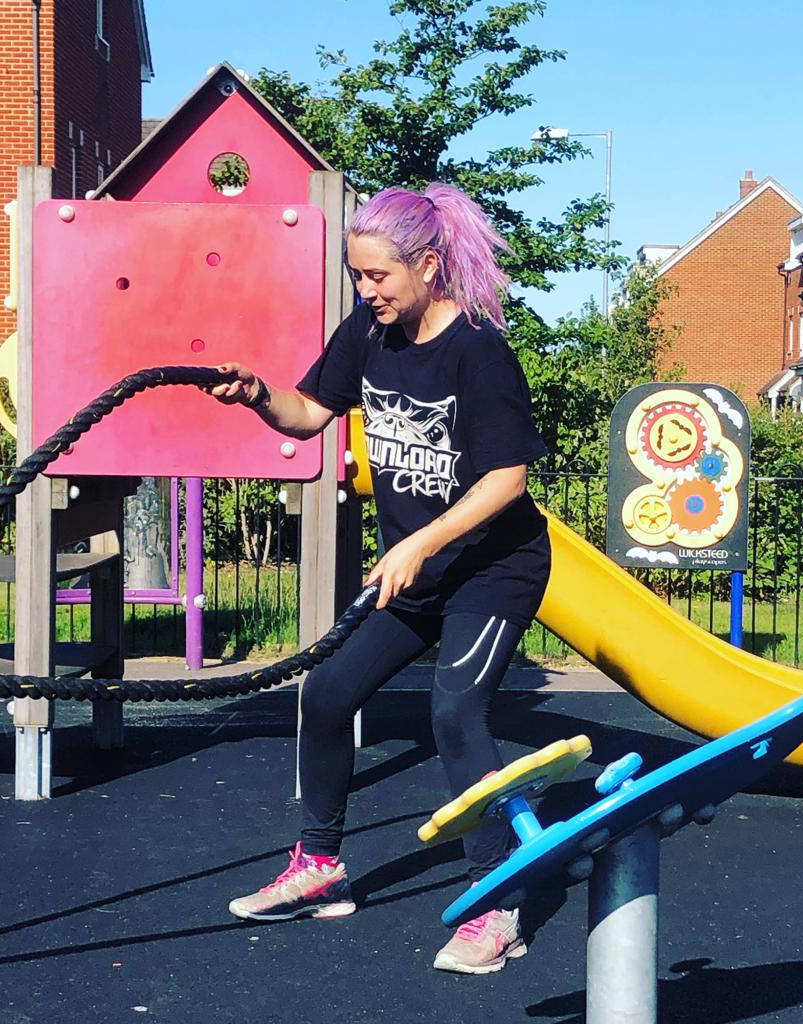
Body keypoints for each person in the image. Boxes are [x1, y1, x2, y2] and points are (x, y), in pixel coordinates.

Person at [206, 182, 550, 975]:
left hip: (492, 569)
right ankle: (320, 868)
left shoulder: (478, 351)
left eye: (378, 278)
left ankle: (498, 907)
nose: (366, 292)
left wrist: (422, 541)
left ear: (427, 266)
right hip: (419, 570)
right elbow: (308, 413)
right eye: (358, 277)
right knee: (324, 694)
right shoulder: (369, 333)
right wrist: (257, 395)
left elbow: (507, 480)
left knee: (456, 713)